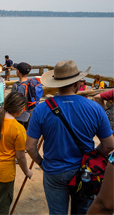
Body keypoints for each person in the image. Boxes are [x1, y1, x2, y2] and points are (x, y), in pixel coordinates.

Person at [26, 60, 114, 215]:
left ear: (55, 84)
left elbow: (30, 147)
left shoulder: (41, 109)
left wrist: (41, 163)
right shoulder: (94, 108)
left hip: (53, 171)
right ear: (77, 84)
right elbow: (109, 145)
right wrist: (92, 155)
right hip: (85, 170)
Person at [11, 62, 33, 129]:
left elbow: (18, 103)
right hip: (28, 114)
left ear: (18, 71)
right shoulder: (30, 83)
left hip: (20, 116)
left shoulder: (21, 87)